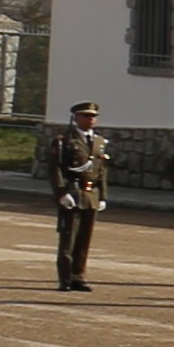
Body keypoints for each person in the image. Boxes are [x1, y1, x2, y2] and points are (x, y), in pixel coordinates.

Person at [46, 100, 109, 292]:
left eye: (93, 116)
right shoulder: (64, 141)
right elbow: (55, 168)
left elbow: (101, 171)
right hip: (73, 192)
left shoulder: (99, 142)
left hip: (91, 194)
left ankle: (78, 276)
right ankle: (65, 278)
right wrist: (61, 192)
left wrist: (103, 196)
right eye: (86, 116)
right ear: (76, 118)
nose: (91, 120)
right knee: (69, 238)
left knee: (84, 238)